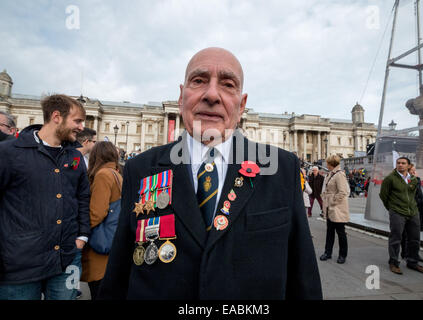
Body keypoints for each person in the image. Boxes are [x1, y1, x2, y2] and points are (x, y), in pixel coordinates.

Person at [97, 47, 322, 300]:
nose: (212, 94)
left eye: (227, 84)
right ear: (182, 96)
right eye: (199, 80)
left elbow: (303, 279)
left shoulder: (281, 169)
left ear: (242, 104)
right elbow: (118, 274)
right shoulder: (140, 169)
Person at [0, 94, 90, 300]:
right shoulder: (9, 153)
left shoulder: (75, 156)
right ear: (56, 116)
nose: (81, 127)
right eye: (77, 121)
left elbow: (83, 197)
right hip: (18, 265)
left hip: (67, 257)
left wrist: (82, 237)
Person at [81, 141, 123, 300]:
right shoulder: (116, 174)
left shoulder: (103, 175)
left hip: (100, 244)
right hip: (111, 240)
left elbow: (96, 213)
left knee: (98, 291)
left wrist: (81, 232)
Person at [379, 157, 423, 275]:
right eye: (398, 163)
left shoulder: (413, 179)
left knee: (415, 239)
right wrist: (392, 208)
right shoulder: (390, 179)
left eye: (403, 163)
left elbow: (414, 196)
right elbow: (383, 195)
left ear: (408, 166)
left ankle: (413, 262)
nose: (400, 165)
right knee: (396, 238)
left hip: (413, 212)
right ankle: (393, 262)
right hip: (397, 212)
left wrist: (414, 209)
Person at [319, 155, 349, 264]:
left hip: (337, 208)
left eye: (327, 163)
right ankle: (328, 252)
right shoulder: (330, 174)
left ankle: (342, 255)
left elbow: (343, 192)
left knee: (341, 232)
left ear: (331, 164)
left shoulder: (340, 175)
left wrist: (332, 201)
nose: (326, 165)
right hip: (329, 207)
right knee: (329, 231)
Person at [401, 164, 423, 263]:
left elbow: (419, 195)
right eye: (411, 170)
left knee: (415, 235)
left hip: (418, 210)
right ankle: (405, 253)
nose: (413, 172)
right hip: (407, 211)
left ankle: (415, 254)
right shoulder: (404, 181)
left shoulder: (417, 180)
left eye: (414, 170)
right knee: (406, 235)